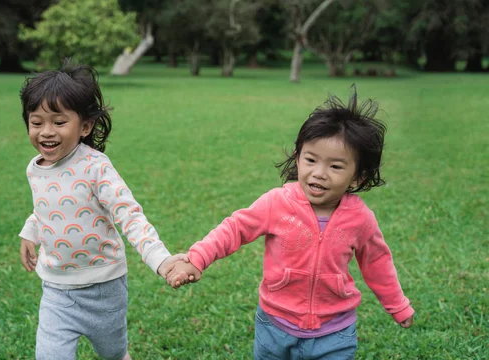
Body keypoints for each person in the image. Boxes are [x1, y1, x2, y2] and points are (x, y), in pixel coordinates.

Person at [166, 92, 414, 359]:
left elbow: (377, 262)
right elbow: (234, 229)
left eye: (335, 166)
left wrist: (397, 305)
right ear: (297, 159)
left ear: (357, 178)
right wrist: (198, 258)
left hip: (335, 332)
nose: (319, 172)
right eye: (311, 160)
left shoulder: (360, 219)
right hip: (274, 325)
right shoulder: (277, 203)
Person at [17, 60, 186, 360]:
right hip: (56, 290)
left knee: (114, 354)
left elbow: (130, 216)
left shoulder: (96, 168)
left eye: (58, 122)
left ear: (85, 126)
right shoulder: (35, 168)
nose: (45, 132)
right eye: (36, 121)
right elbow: (45, 207)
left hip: (104, 289)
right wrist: (30, 232)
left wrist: (160, 260)